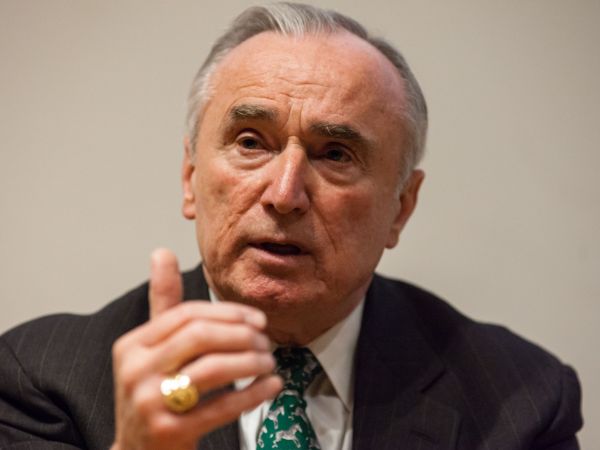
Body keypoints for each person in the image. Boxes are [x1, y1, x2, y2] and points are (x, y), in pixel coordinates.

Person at [0, 3, 583, 450]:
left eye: (336, 155)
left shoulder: (520, 401)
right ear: (190, 177)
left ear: (401, 207)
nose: (284, 195)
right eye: (251, 143)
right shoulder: (44, 381)